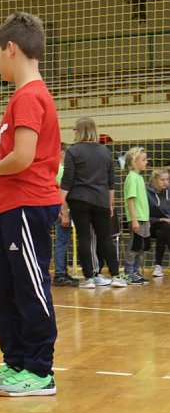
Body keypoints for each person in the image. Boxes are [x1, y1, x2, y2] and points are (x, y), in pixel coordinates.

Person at [0, 11, 61, 397]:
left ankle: (40, 371)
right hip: (9, 206)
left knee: (28, 285)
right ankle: (16, 362)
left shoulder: (29, 96)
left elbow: (23, 157)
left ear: (11, 49)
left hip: (26, 203)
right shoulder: (23, 96)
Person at [59, 117, 126, 289]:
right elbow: (111, 183)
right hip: (101, 200)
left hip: (79, 199)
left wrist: (63, 208)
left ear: (78, 131)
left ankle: (89, 278)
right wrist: (110, 204)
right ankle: (116, 275)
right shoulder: (105, 151)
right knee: (105, 238)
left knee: (84, 238)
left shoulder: (73, 151)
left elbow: (67, 181)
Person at [52, 143, 79, 287]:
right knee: (62, 242)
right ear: (62, 153)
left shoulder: (56, 169)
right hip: (62, 211)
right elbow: (61, 195)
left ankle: (62, 272)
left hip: (60, 210)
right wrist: (64, 213)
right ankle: (60, 274)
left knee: (63, 242)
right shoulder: (61, 170)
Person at [123, 147, 150, 284]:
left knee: (141, 247)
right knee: (134, 247)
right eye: (143, 160)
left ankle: (136, 271)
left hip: (144, 219)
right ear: (134, 161)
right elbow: (130, 200)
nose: (146, 162)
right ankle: (128, 273)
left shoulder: (139, 178)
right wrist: (134, 220)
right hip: (137, 219)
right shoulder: (132, 178)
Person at [147, 169, 170, 278]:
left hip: (165, 228)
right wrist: (159, 220)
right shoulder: (147, 193)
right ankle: (157, 265)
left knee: (162, 232)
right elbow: (144, 215)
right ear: (155, 180)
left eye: (167, 179)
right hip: (151, 225)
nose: (166, 182)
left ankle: (158, 265)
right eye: (162, 180)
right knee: (164, 226)